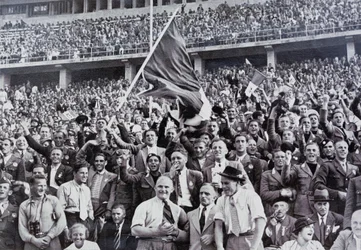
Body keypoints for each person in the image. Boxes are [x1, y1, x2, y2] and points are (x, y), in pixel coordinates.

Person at [214, 166, 266, 250]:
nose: (223, 186)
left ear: (237, 183)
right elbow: (218, 226)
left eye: (226, 183)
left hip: (250, 238)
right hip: (232, 240)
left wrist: (253, 247)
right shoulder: (221, 200)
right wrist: (220, 246)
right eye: (222, 183)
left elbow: (260, 222)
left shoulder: (250, 196)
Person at [131, 176, 189, 250]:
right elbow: (134, 230)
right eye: (160, 186)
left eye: (166, 187)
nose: (163, 189)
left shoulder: (178, 210)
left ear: (172, 189)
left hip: (169, 246)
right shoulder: (144, 206)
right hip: (148, 245)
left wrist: (176, 232)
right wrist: (157, 231)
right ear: (155, 188)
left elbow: (188, 234)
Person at [19, 174, 66, 250]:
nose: (43, 188)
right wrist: (34, 240)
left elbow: (62, 221)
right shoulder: (24, 205)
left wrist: (49, 237)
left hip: (51, 243)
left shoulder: (53, 201)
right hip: (32, 244)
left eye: (44, 186)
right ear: (31, 186)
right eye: (40, 186)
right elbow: (22, 228)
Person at [313, 140, 359, 214]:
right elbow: (318, 185)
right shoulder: (327, 166)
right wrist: (337, 194)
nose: (343, 149)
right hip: (334, 208)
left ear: (347, 151)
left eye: (345, 148)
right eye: (340, 147)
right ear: (334, 150)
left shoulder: (354, 168)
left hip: (351, 208)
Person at [282, 142, 321, 217]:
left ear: (318, 153)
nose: (311, 152)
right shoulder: (297, 168)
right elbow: (285, 181)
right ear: (305, 153)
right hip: (302, 207)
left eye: (314, 150)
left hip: (318, 206)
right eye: (308, 150)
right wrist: (287, 163)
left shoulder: (322, 169)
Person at [57, 164, 94, 240]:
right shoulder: (64, 187)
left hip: (84, 220)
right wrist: (65, 228)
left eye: (86, 173)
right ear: (74, 173)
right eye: (82, 173)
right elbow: (60, 211)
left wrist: (90, 223)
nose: (85, 176)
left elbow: (90, 207)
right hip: (71, 218)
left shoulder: (87, 189)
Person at [165, 144, 203, 213]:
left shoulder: (196, 175)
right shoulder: (166, 176)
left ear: (185, 159)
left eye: (178, 158)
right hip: (174, 209)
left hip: (192, 208)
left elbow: (200, 194)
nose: (175, 161)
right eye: (173, 159)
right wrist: (170, 177)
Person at [187, 183, 218, 250]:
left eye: (207, 194)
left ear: (214, 197)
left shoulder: (220, 212)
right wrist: (176, 233)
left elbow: (228, 233)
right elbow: (187, 236)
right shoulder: (190, 214)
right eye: (201, 193)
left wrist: (214, 237)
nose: (203, 196)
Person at [0, 177, 23, 250]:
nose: (1, 189)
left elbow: (18, 234)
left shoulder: (15, 209)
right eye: (0, 187)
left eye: (4, 187)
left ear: (9, 192)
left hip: (8, 247)